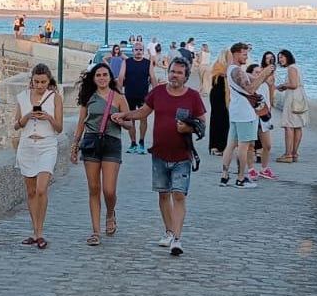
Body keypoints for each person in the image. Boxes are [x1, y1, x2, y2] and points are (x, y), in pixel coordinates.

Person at [114, 57, 205, 256]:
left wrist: (188, 127)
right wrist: (124, 116)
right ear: (168, 72)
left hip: (182, 155)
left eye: (180, 73)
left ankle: (177, 239)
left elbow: (202, 124)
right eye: (173, 71)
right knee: (163, 194)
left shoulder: (193, 97)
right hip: (159, 153)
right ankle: (169, 231)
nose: (175, 75)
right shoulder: (157, 92)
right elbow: (143, 112)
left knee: (179, 195)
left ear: (186, 77)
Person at [69, 63, 126, 246]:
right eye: (98, 75)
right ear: (94, 78)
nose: (102, 78)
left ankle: (110, 213)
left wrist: (121, 120)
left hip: (111, 143)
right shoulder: (89, 98)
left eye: (105, 74)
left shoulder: (118, 98)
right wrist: (75, 145)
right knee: (94, 188)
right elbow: (81, 123)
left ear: (110, 77)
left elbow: (130, 123)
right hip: (91, 142)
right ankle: (95, 231)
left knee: (109, 190)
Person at [15, 63, 62, 248]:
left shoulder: (55, 98)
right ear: (31, 80)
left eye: (43, 82)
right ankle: (35, 232)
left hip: (47, 145)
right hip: (27, 146)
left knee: (42, 189)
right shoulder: (22, 97)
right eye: (36, 82)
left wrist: (48, 118)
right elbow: (16, 124)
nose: (40, 85)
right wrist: (27, 116)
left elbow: (59, 128)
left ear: (49, 81)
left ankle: (40, 231)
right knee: (31, 191)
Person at [220, 42, 275, 188]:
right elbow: (250, 89)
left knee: (230, 145)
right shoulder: (236, 71)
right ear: (236, 54)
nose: (246, 57)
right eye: (244, 54)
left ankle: (224, 177)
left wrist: (264, 75)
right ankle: (240, 179)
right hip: (244, 114)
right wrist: (263, 73)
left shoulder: (233, 70)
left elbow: (251, 80)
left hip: (236, 112)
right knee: (243, 147)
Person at [119, 42, 153, 154]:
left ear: (143, 51)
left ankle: (142, 142)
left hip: (144, 95)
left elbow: (152, 77)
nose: (138, 51)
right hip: (129, 95)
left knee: (144, 119)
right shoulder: (126, 62)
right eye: (136, 49)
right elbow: (121, 77)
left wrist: (156, 92)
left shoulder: (148, 63)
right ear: (133, 51)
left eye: (140, 50)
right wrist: (119, 92)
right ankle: (133, 143)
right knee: (130, 119)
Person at [247, 60, 278, 181]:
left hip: (264, 118)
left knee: (267, 145)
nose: (259, 74)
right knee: (250, 145)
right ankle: (250, 169)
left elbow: (268, 102)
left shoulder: (265, 85)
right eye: (256, 72)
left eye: (260, 72)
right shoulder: (249, 87)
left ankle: (264, 169)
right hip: (251, 117)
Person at [275, 49, 307, 163]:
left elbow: (293, 84)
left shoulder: (291, 68)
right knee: (297, 126)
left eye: (282, 57)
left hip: (293, 98)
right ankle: (294, 153)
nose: (280, 60)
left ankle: (288, 154)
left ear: (288, 57)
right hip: (300, 97)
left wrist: (282, 85)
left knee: (288, 125)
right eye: (279, 58)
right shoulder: (297, 67)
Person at [207, 57, 230, 155]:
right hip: (219, 97)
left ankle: (217, 146)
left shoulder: (219, 67)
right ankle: (217, 146)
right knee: (220, 121)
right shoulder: (220, 68)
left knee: (220, 121)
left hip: (220, 96)